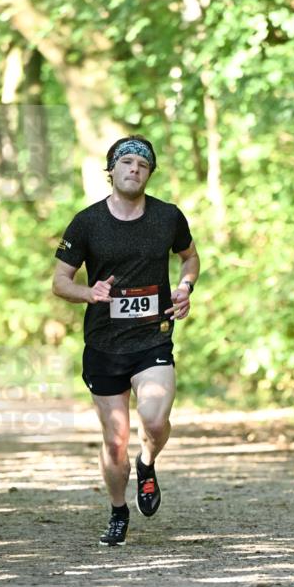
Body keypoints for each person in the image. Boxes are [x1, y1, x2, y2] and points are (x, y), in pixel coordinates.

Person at [52, 136, 199, 546]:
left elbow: (190, 257)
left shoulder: (168, 217)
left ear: (149, 174)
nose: (134, 168)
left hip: (152, 338)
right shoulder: (86, 223)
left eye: (143, 164)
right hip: (103, 345)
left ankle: (148, 462)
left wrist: (186, 286)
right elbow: (59, 282)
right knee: (114, 441)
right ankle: (118, 511)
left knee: (154, 420)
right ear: (112, 170)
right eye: (127, 162)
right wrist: (89, 293)